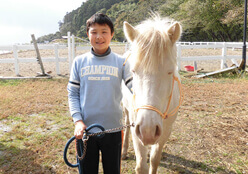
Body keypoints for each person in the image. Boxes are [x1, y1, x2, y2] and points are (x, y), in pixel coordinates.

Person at [67, 13, 132, 174]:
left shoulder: (121, 62)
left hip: (114, 130)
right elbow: (72, 93)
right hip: (85, 132)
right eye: (94, 32)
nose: (99, 37)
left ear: (112, 34)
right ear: (87, 34)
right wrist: (77, 121)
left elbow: (135, 89)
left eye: (104, 32)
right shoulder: (79, 62)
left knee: (113, 170)